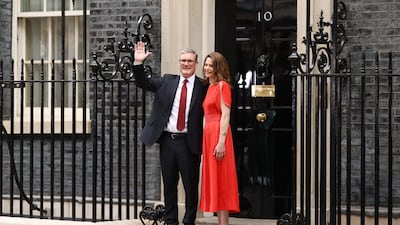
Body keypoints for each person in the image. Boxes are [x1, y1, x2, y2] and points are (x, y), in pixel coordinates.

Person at [133, 41, 207, 225]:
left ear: (196, 64)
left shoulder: (202, 86)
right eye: (183, 60)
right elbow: (143, 82)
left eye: (190, 61)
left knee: (190, 186)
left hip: (189, 142)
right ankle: (171, 220)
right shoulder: (167, 81)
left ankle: (189, 220)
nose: (186, 64)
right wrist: (138, 63)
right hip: (168, 141)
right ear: (179, 63)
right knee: (169, 185)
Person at [199, 52, 240, 225]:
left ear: (218, 68)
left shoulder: (223, 86)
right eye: (206, 65)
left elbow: (225, 114)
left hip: (218, 134)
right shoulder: (209, 86)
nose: (207, 68)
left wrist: (221, 142)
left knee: (222, 180)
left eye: (211, 65)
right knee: (216, 180)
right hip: (209, 133)